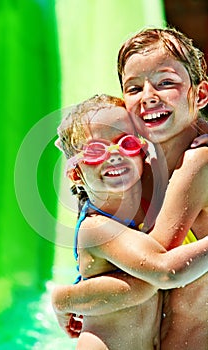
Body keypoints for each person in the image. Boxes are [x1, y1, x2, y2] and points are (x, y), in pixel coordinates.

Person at [52, 94, 208, 350]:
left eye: (127, 143)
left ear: (142, 153)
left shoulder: (152, 200)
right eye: (94, 151)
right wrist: (65, 299)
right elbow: (164, 274)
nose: (114, 155)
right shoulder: (96, 228)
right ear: (75, 173)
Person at [117, 26, 208, 349]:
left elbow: (155, 268)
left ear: (200, 95)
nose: (148, 96)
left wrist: (69, 298)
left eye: (166, 82)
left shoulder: (199, 160)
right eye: (134, 88)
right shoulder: (145, 163)